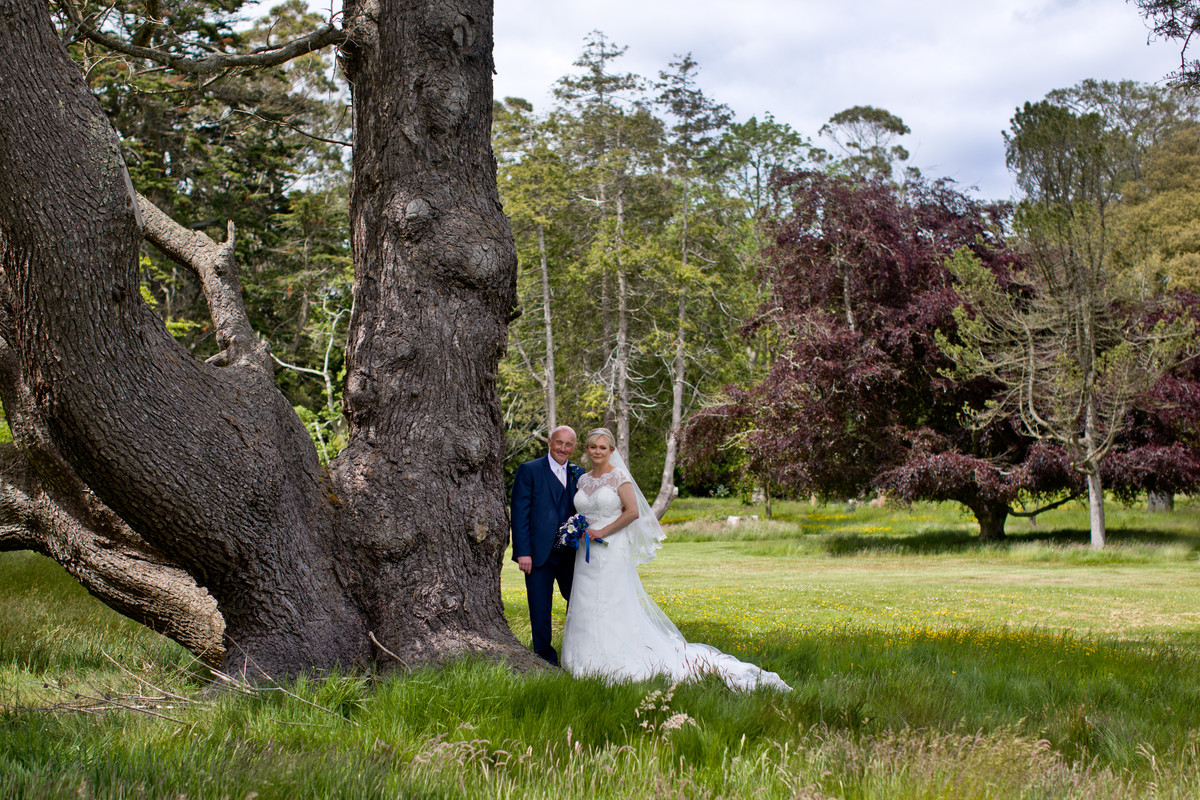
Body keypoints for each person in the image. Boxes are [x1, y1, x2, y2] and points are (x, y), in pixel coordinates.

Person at [561, 428, 791, 691]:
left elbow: (633, 512)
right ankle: (581, 658)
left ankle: (614, 659)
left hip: (611, 549)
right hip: (585, 553)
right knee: (586, 601)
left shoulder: (619, 477)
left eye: (602, 447)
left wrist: (602, 530)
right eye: (592, 447)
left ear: (611, 450)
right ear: (587, 450)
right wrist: (576, 529)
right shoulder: (583, 480)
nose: (597, 452)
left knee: (611, 602)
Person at [510, 425, 582, 666]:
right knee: (540, 608)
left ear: (574, 446)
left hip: (571, 555)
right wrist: (523, 552)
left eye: (568, 444)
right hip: (537, 554)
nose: (563, 448)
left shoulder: (578, 473)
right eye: (559, 442)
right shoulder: (529, 470)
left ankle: (579, 652)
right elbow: (520, 513)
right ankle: (545, 659)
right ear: (550, 442)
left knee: (580, 601)